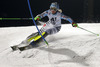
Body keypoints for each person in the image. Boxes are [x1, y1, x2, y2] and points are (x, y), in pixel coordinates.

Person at [11, 2, 78, 51]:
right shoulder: (48, 12)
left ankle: (34, 43)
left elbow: (68, 18)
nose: (52, 10)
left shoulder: (59, 14)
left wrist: (73, 23)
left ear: (57, 9)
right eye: (51, 8)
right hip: (49, 24)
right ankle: (23, 42)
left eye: (54, 9)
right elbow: (41, 15)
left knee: (47, 32)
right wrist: (38, 17)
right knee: (37, 33)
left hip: (56, 27)